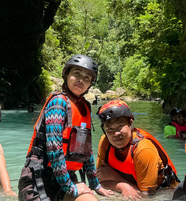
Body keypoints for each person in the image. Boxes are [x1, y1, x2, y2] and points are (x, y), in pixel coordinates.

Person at [18, 54, 114, 201]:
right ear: (67, 75)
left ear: (90, 85)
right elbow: (54, 148)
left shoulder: (85, 108)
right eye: (76, 74)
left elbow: (87, 150)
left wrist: (95, 185)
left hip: (66, 177)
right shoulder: (58, 103)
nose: (81, 80)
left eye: (87, 78)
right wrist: (70, 187)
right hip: (39, 177)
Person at [96, 100, 180, 200]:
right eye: (110, 128)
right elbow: (100, 180)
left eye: (120, 126)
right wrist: (123, 186)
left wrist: (115, 178)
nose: (116, 133)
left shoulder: (143, 149)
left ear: (130, 124)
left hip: (163, 194)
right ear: (104, 129)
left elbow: (144, 197)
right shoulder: (105, 142)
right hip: (137, 188)